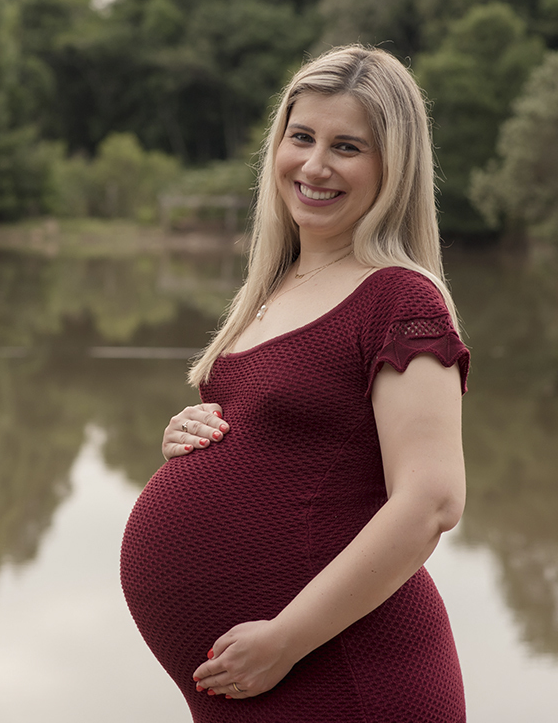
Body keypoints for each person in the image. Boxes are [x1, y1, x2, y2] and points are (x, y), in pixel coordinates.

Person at [119, 45, 470, 722]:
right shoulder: (276, 287)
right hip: (258, 683)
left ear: (394, 166)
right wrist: (191, 440)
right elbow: (285, 440)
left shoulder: (401, 300)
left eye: (347, 147)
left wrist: (286, 641)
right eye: (301, 137)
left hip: (343, 674)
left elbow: (432, 500)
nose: (314, 165)